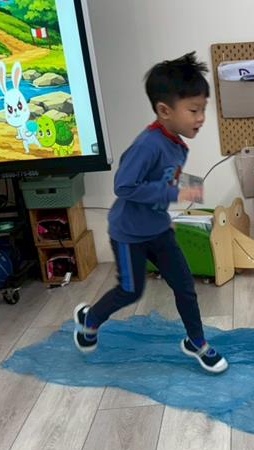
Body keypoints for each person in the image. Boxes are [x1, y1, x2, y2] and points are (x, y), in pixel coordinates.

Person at [73, 52, 227, 373]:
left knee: (185, 286)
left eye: (203, 109)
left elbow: (161, 180)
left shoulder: (177, 144)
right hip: (128, 233)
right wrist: (174, 193)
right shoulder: (148, 144)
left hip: (158, 229)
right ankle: (90, 319)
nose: (201, 118)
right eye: (194, 110)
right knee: (130, 290)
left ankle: (196, 342)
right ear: (164, 111)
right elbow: (124, 186)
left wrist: (181, 190)